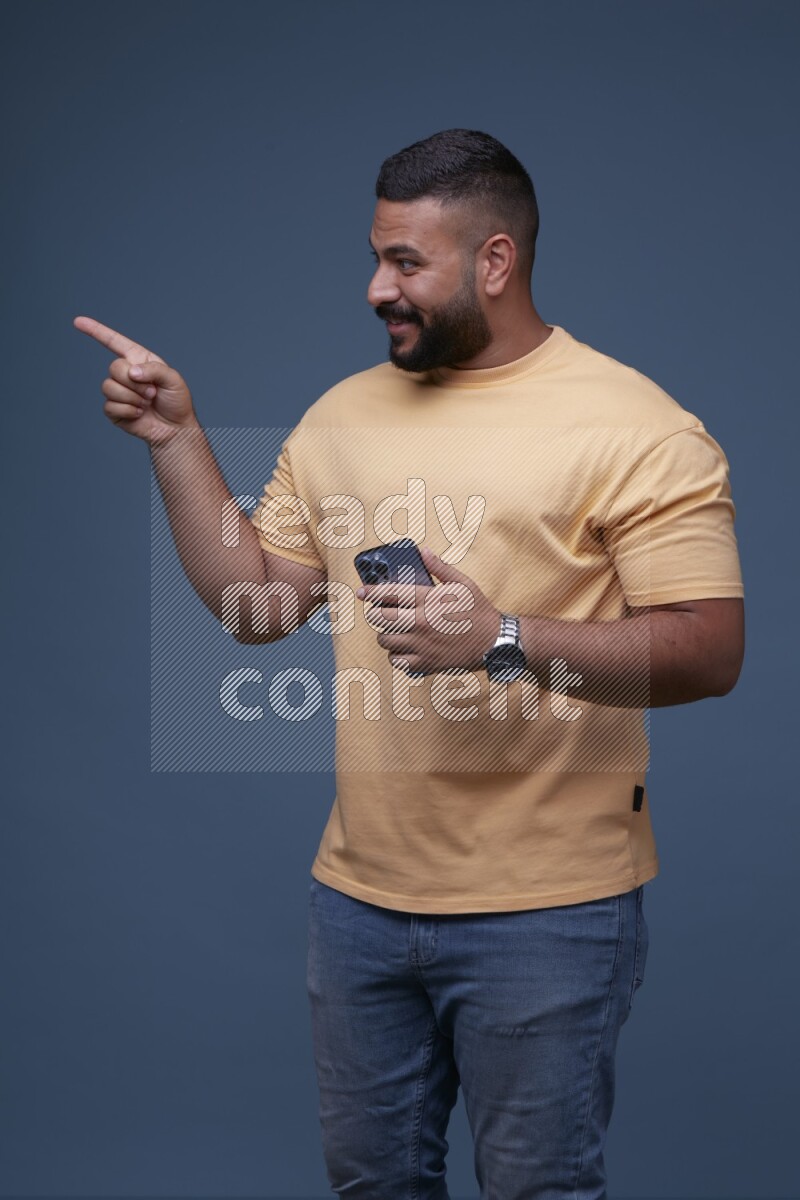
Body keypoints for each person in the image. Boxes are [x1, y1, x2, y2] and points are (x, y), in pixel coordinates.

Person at [74, 128, 744, 1200]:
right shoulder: (343, 413)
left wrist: (502, 640)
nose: (375, 288)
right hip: (359, 904)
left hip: (550, 910)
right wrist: (178, 443)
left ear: (492, 260)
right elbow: (258, 609)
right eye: (375, 256)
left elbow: (710, 652)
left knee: (537, 1191)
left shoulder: (636, 427)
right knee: (371, 1188)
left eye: (403, 262)